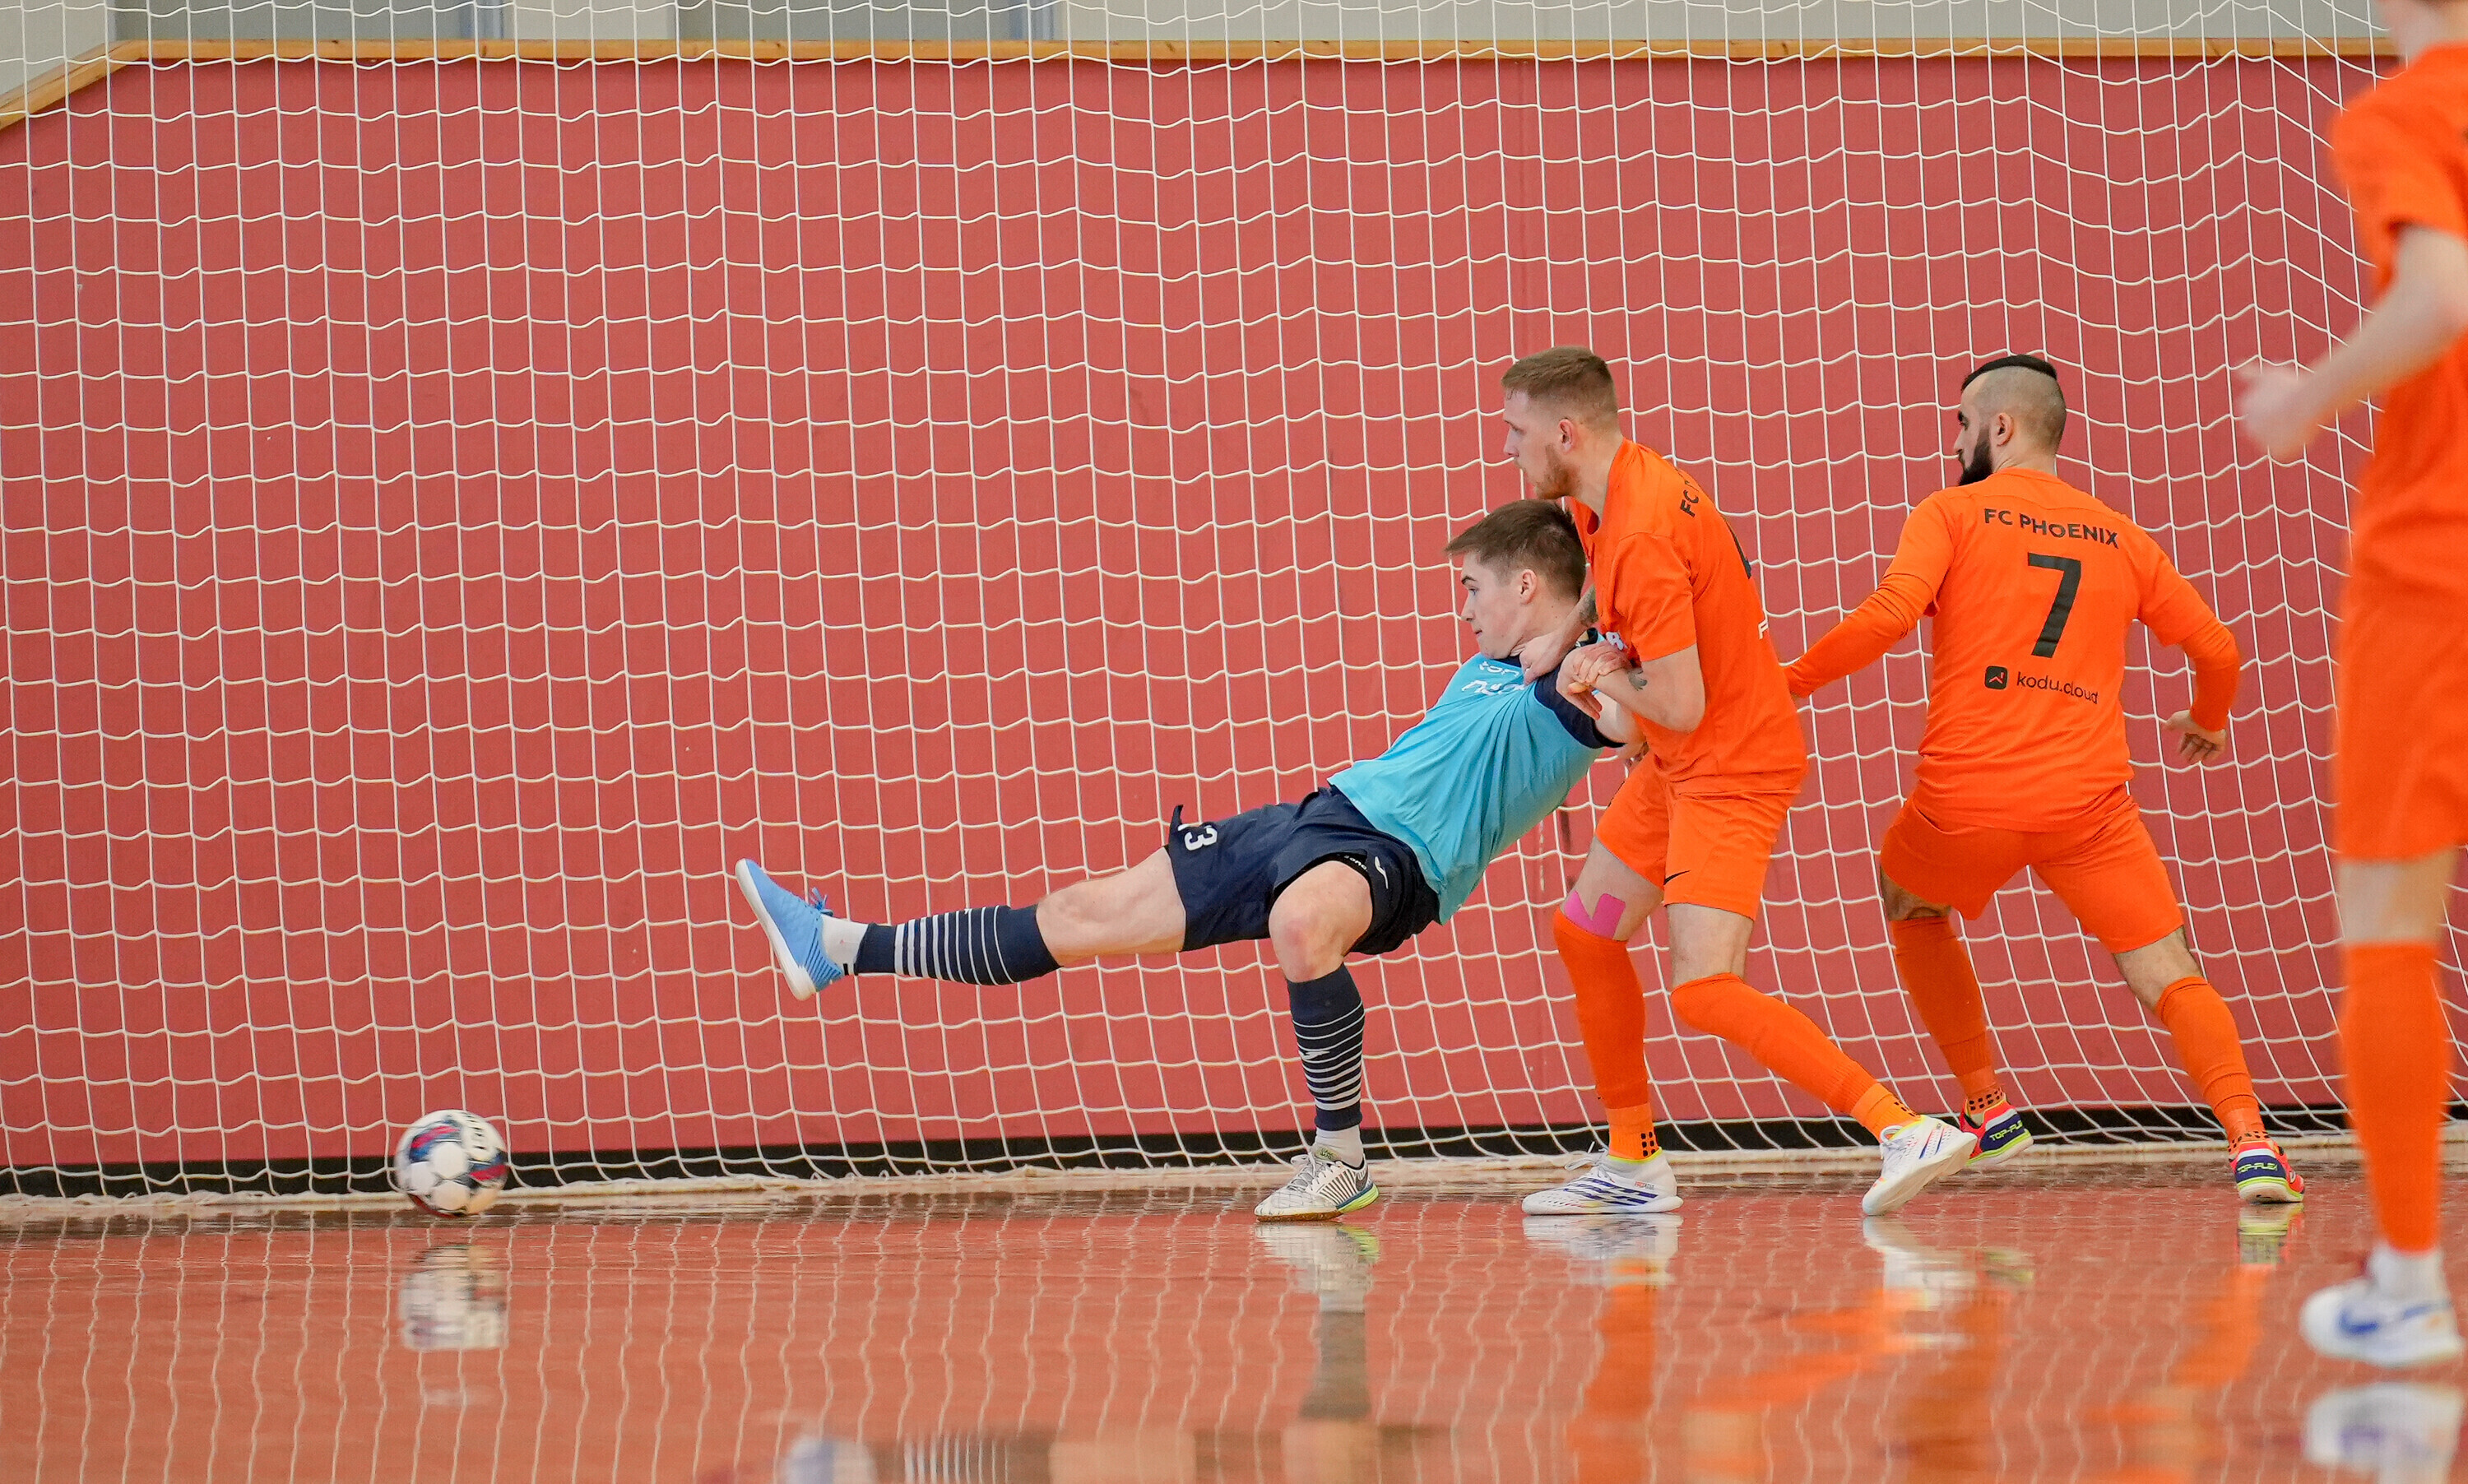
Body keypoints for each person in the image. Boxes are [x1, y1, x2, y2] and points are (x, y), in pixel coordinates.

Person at [735, 501, 1631, 1222]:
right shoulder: (1509, 660)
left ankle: (1340, 1158)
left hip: (1399, 859)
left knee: (1302, 923)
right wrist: (1569, 624)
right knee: (1078, 913)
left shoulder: (1575, 686)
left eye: (1473, 588)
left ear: (1524, 584)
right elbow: (1576, 563)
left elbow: (1634, 708)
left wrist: (1598, 656)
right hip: (1313, 817)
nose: (1464, 608)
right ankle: (838, 946)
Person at [1788, 354, 2304, 1204]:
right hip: (2088, 808)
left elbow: (1888, 615)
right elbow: (2218, 648)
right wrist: (2208, 720)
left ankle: (1988, 1107)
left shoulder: (1950, 512)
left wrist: (1790, 682)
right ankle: (2253, 1145)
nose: (1955, 442)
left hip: (1967, 803)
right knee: (2169, 971)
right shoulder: (2120, 534)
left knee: (1908, 898)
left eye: (1962, 424)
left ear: (2000, 427)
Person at [1501, 347, 1972, 1220]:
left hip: (1731, 766)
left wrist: (1596, 674)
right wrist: (1566, 634)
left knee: (1704, 986)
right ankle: (1633, 1163)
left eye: (1516, 431)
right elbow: (1610, 590)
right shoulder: (1609, 489)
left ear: (1565, 432)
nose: (1509, 448)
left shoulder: (1642, 532)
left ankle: (1903, 1127)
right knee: (1586, 933)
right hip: (1683, 762)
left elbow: (1678, 703)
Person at [2237, 0, 2468, 1369]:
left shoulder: (2402, 113)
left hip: (2437, 569)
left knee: (2388, 926)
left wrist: (2308, 398)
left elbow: (2439, 298)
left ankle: (2412, 1279)